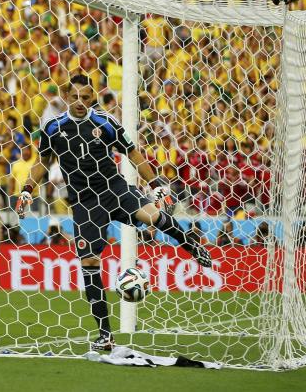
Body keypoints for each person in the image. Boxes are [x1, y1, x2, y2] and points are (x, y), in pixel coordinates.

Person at [17, 74, 211, 351]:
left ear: (92, 97)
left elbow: (134, 154)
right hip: (84, 202)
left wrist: (155, 185)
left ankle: (189, 243)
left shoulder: (106, 122)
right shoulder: (52, 127)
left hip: (114, 188)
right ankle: (105, 334)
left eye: (86, 97)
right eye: (75, 97)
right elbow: (43, 163)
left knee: (152, 216)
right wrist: (26, 190)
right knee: (89, 264)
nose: (81, 102)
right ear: (66, 97)